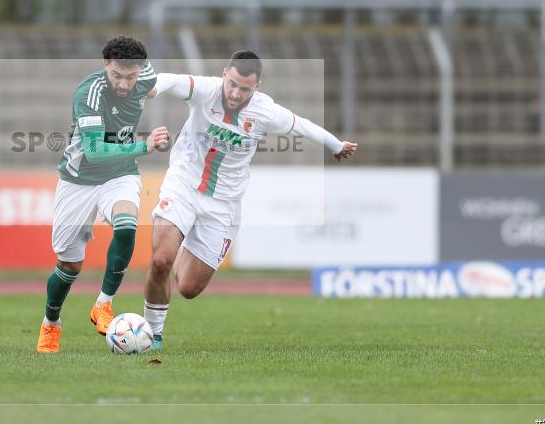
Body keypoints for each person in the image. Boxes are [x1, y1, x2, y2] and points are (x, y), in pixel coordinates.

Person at [142, 50, 357, 350]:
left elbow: (302, 125)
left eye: (244, 88)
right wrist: (150, 87)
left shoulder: (265, 111)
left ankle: (182, 248)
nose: (235, 93)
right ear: (225, 74)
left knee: (189, 288)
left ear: (257, 86)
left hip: (223, 205)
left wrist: (336, 145)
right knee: (160, 260)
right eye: (232, 84)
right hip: (183, 185)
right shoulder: (206, 90)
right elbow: (169, 80)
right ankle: (153, 334)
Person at [36, 36, 170, 353]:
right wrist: (144, 145)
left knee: (126, 226)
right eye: (117, 76)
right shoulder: (89, 92)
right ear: (105, 66)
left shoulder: (145, 75)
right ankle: (50, 323)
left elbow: (159, 85)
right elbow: (94, 151)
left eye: (131, 77)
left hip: (120, 173)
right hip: (79, 179)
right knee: (69, 265)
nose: (124, 84)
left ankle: (103, 304)